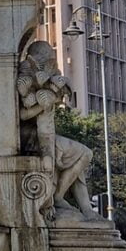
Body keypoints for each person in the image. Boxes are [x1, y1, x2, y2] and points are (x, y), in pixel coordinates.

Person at [17, 41, 100, 221]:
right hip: (33, 137)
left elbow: (61, 88)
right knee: (84, 153)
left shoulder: (47, 80)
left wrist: (53, 97)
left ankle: (85, 208)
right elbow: (22, 115)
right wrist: (45, 102)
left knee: (80, 158)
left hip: (46, 133)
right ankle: (59, 197)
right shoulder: (26, 78)